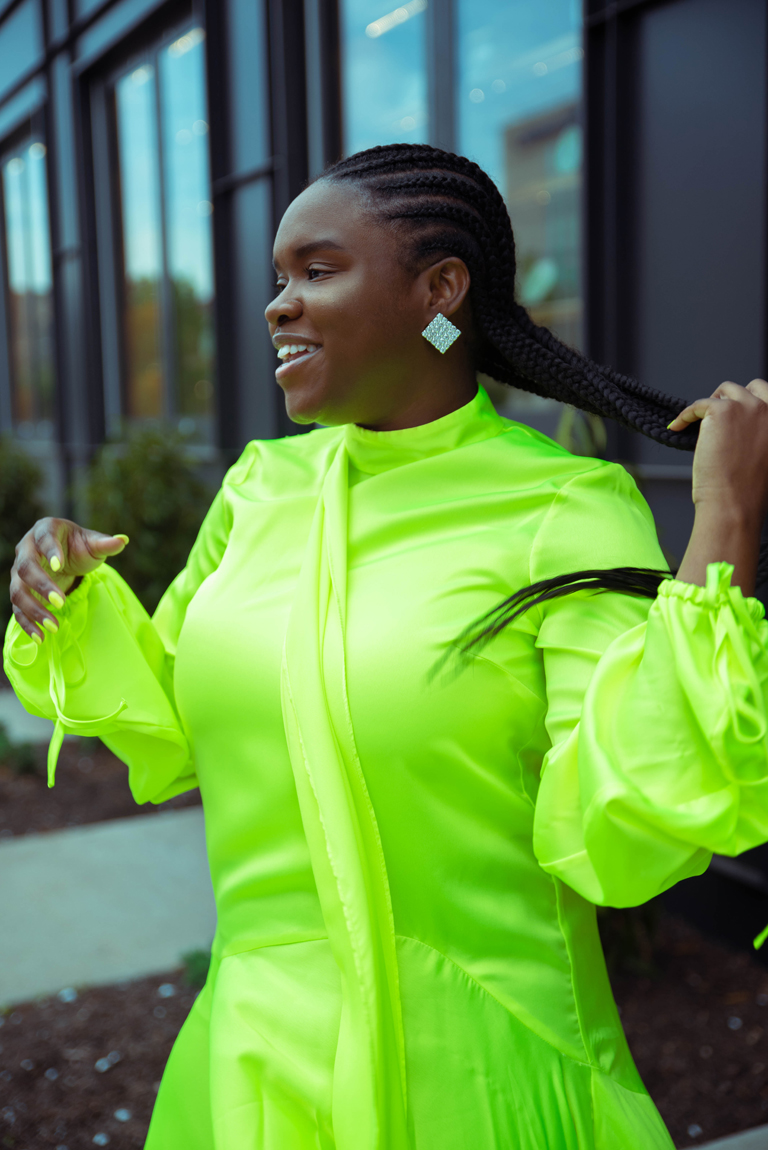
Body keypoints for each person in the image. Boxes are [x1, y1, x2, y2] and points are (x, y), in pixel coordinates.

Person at [5, 143, 768, 1150]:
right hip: (256, 1075)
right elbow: (173, 717)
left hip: (483, 1078)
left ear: (439, 290)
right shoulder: (257, 490)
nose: (278, 303)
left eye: (317, 270)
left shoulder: (563, 506)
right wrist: (70, 592)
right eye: (279, 278)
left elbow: (624, 824)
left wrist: (723, 522)